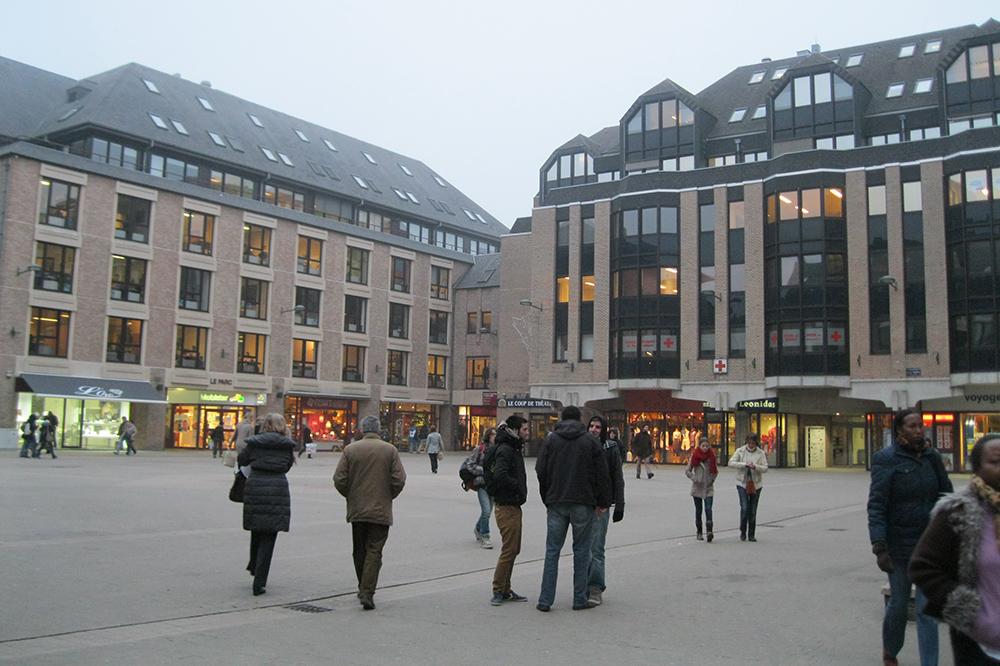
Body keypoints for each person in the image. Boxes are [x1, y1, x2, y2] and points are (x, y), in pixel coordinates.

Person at [868, 408, 953, 666]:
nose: (919, 430)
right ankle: (891, 649)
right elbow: (877, 504)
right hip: (899, 546)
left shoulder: (932, 458)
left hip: (929, 545)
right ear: (899, 430)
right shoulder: (886, 459)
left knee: (928, 610)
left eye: (921, 425)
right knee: (899, 603)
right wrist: (879, 545)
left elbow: (946, 494)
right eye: (912, 426)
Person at [910, 434, 1000, 665]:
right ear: (977, 469)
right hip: (981, 647)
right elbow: (923, 568)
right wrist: (971, 615)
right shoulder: (958, 513)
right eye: (995, 462)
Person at [535, 406, 612, 612]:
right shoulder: (590, 441)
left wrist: (547, 496)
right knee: (581, 551)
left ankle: (545, 599)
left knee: (552, 551)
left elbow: (540, 470)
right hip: (583, 502)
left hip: (556, 502)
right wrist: (603, 502)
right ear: (580, 419)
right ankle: (579, 598)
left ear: (562, 418)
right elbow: (602, 474)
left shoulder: (551, 440)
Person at [334, 415, 406, 610]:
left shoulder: (350, 450)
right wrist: (388, 495)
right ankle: (367, 591)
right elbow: (399, 479)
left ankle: (362, 586)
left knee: (359, 549)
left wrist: (351, 495)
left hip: (357, 509)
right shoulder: (390, 450)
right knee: (375, 550)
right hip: (380, 510)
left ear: (362, 430)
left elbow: (339, 479)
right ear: (379, 430)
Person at [237, 413, 297, 596]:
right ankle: (259, 582)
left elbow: (242, 460)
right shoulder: (287, 445)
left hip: (256, 486)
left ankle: (254, 566)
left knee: (256, 529)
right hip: (277, 488)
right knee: (269, 535)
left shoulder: (255, 442)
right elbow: (287, 466)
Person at [488, 415, 529, 606]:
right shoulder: (506, 449)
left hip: (513, 505)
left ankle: (505, 588)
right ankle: (498, 589)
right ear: (515, 430)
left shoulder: (513, 447)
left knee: (514, 549)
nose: (527, 432)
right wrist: (518, 485)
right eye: (524, 429)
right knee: (509, 549)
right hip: (506, 506)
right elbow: (500, 475)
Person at [586, 415, 625, 606]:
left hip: (601, 506)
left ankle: (595, 587)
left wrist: (619, 504)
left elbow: (617, 477)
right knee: (583, 548)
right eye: (591, 426)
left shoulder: (610, 448)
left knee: (596, 548)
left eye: (598, 427)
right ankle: (582, 585)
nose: (593, 429)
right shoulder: (582, 446)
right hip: (583, 504)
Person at [729, 433, 767, 542]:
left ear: (756, 443)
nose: (751, 445)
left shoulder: (761, 453)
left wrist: (755, 467)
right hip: (742, 483)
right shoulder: (740, 451)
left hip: (756, 484)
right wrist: (743, 464)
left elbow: (765, 468)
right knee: (745, 507)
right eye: (749, 443)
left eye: (753, 443)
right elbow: (731, 463)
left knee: (753, 510)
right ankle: (742, 530)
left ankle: (751, 534)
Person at [686, 436, 718, 542]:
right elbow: (688, 471)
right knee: (698, 510)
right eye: (703, 446)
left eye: (707, 446)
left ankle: (709, 531)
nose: (705, 448)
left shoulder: (711, 457)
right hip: (698, 487)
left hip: (708, 487)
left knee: (708, 509)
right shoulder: (695, 456)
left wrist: (712, 479)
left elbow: (715, 471)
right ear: (699, 446)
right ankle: (699, 531)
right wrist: (695, 478)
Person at [471, 427, 497, 549]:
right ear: (488, 436)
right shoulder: (480, 450)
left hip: (492, 484)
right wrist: (484, 471)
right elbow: (470, 465)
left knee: (488, 511)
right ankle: (485, 536)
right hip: (482, 483)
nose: (495, 437)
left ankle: (478, 527)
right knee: (486, 510)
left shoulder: (498, 450)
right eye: (493, 435)